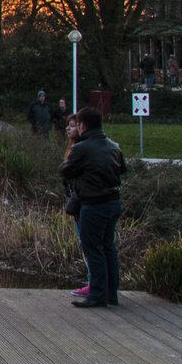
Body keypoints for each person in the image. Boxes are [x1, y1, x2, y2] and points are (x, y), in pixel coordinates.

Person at [60, 107, 126, 309]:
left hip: (93, 203)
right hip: (113, 201)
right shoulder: (113, 146)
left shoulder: (82, 148)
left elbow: (65, 170)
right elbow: (122, 168)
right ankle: (110, 293)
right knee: (108, 247)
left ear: (81, 125)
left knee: (93, 248)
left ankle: (97, 294)